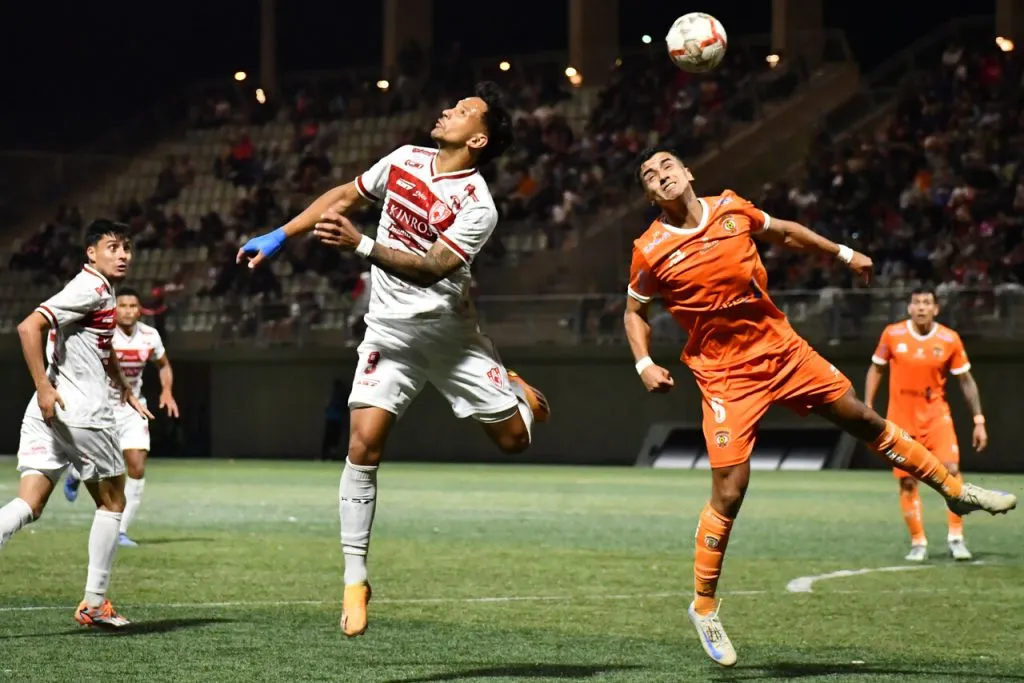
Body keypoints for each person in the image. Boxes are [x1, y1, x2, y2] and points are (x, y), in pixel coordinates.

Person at [621, 147, 1016, 668]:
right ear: (651, 195)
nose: (660, 174)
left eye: (667, 164)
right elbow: (634, 310)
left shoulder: (732, 209)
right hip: (724, 376)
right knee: (731, 490)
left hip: (783, 352)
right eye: (650, 175)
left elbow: (784, 231)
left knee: (863, 419)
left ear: (688, 172)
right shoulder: (649, 249)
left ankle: (956, 493)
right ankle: (703, 605)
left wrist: (844, 254)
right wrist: (644, 362)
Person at [237, 81, 550, 638]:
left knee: (515, 442)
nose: (448, 108)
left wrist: (360, 246)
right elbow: (343, 195)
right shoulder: (405, 158)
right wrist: (281, 235)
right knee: (363, 446)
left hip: (450, 336)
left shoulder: (479, 206)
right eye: (452, 103)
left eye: (463, 110)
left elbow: (431, 267)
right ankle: (355, 579)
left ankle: (516, 390)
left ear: (478, 138)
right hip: (389, 332)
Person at [0, 219, 153, 628]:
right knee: (113, 501)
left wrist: (127, 390)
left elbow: (105, 351)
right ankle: (94, 602)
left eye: (126, 248)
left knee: (29, 504)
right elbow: (28, 327)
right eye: (112, 247)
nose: (122, 255)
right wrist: (44, 386)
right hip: (80, 410)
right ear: (92, 253)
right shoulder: (90, 288)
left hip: (47, 409)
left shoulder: (103, 290)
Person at [865, 288, 987, 562]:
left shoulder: (949, 339)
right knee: (908, 482)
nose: (921, 307)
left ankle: (956, 537)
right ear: (909, 308)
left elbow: (966, 381)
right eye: (917, 302)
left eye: (927, 303)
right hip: (901, 420)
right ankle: (918, 542)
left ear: (936, 309)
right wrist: (868, 407)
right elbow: (876, 368)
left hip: (936, 418)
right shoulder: (892, 334)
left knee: (952, 472)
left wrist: (979, 420)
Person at [64, 287, 179, 547]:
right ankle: (74, 471)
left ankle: (121, 531)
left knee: (136, 466)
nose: (128, 310)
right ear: (114, 309)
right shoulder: (103, 334)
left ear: (141, 310)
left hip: (132, 408)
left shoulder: (150, 336)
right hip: (100, 408)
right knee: (95, 462)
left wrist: (167, 391)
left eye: (133, 306)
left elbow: (164, 365)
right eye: (123, 306)